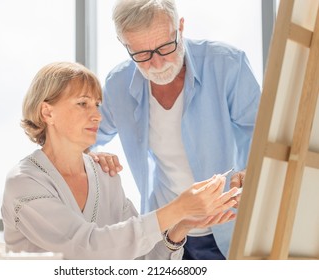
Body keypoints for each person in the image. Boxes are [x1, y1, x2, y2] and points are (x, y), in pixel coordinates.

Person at [1, 61, 238, 260]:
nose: (96, 115)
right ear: (47, 112)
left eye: (97, 104)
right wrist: (175, 208)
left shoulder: (104, 174)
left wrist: (181, 225)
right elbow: (85, 250)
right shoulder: (24, 183)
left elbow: (142, 261)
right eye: (82, 103)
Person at [91, 0, 261, 260]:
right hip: (166, 236)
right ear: (124, 44)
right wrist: (91, 154)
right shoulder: (118, 84)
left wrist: (251, 171)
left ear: (180, 27)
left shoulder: (227, 65)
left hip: (230, 230)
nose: (157, 64)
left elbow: (261, 134)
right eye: (142, 55)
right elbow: (85, 135)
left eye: (165, 47)